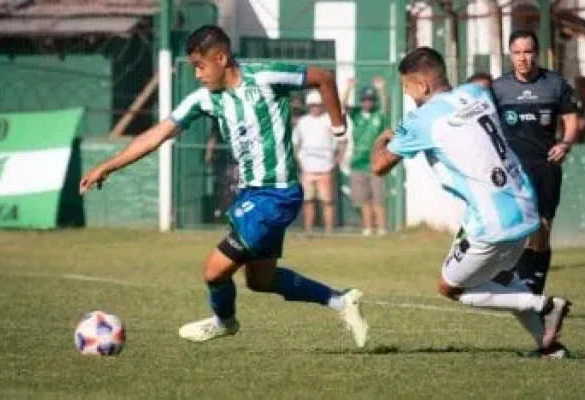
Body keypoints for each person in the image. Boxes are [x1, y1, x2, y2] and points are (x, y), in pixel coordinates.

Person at [79, 25, 368, 347]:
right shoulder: (205, 99)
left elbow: (323, 77)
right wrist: (107, 166)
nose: (198, 75)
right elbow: (156, 135)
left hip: (275, 194)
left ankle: (224, 322)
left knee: (214, 271)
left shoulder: (265, 77)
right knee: (261, 280)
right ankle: (342, 301)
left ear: (221, 57)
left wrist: (339, 126)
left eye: (200, 66)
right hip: (251, 195)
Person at [372, 47, 571, 358]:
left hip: (492, 219)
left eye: (406, 87)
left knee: (450, 288)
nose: (407, 94)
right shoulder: (477, 93)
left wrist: (381, 140)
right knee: (504, 279)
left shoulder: (422, 119)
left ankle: (543, 304)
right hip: (524, 204)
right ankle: (549, 346)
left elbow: (380, 166)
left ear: (423, 85)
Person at [492, 31, 579, 295]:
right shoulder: (499, 88)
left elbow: (571, 119)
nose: (523, 58)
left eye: (528, 52)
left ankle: (535, 285)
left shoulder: (555, 84)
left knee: (542, 228)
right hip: (512, 170)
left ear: (537, 53)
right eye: (517, 53)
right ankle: (522, 284)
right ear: (510, 55)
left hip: (545, 167)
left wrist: (565, 144)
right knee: (517, 229)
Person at [293, 90, 345, 234]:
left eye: (318, 105)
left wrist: (338, 157)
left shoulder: (329, 120)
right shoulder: (303, 122)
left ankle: (329, 230)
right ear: (309, 106)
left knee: (327, 201)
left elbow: (341, 140)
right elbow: (296, 142)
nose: (315, 108)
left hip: (325, 167)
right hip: (307, 168)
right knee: (308, 201)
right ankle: (308, 229)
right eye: (312, 105)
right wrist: (299, 159)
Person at [342, 77, 388, 236]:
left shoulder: (378, 115)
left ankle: (381, 228)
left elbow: (386, 107)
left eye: (370, 100)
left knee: (379, 199)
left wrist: (381, 89)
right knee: (364, 200)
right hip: (358, 162)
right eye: (365, 100)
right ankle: (367, 228)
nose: (367, 103)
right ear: (361, 101)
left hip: (376, 163)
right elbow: (343, 107)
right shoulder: (356, 114)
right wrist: (348, 88)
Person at [205, 119, 239, 220]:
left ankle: (235, 212)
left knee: (236, 186)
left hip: (236, 160)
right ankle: (222, 211)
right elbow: (213, 138)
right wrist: (209, 153)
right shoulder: (218, 122)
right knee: (224, 187)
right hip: (223, 161)